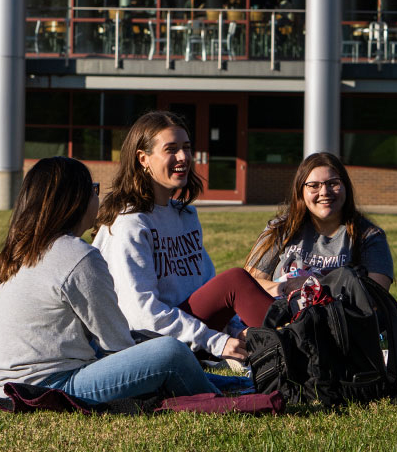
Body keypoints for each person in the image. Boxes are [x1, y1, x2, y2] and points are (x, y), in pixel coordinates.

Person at [0, 157, 219, 403]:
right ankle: (222, 399)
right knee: (170, 352)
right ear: (76, 200)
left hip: (2, 385)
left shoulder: (21, 251)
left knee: (151, 343)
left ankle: (235, 385)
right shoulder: (77, 256)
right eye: (94, 189)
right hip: (52, 385)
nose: (98, 197)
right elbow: (116, 344)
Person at [92, 110, 274, 362]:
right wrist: (216, 341)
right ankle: (304, 347)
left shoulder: (186, 216)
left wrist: (235, 330)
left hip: (186, 330)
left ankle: (302, 342)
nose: (183, 157)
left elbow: (209, 287)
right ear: (143, 159)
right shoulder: (129, 223)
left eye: (186, 148)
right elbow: (140, 313)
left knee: (234, 283)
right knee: (235, 280)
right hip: (146, 341)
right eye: (171, 149)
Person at [244, 152, 394, 296]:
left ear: (345, 187)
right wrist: (288, 288)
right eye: (314, 185)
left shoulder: (369, 236)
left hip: (337, 319)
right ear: (301, 191)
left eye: (333, 183)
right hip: (279, 315)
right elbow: (249, 283)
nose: (324, 192)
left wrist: (315, 287)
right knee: (232, 279)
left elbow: (377, 296)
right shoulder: (281, 228)